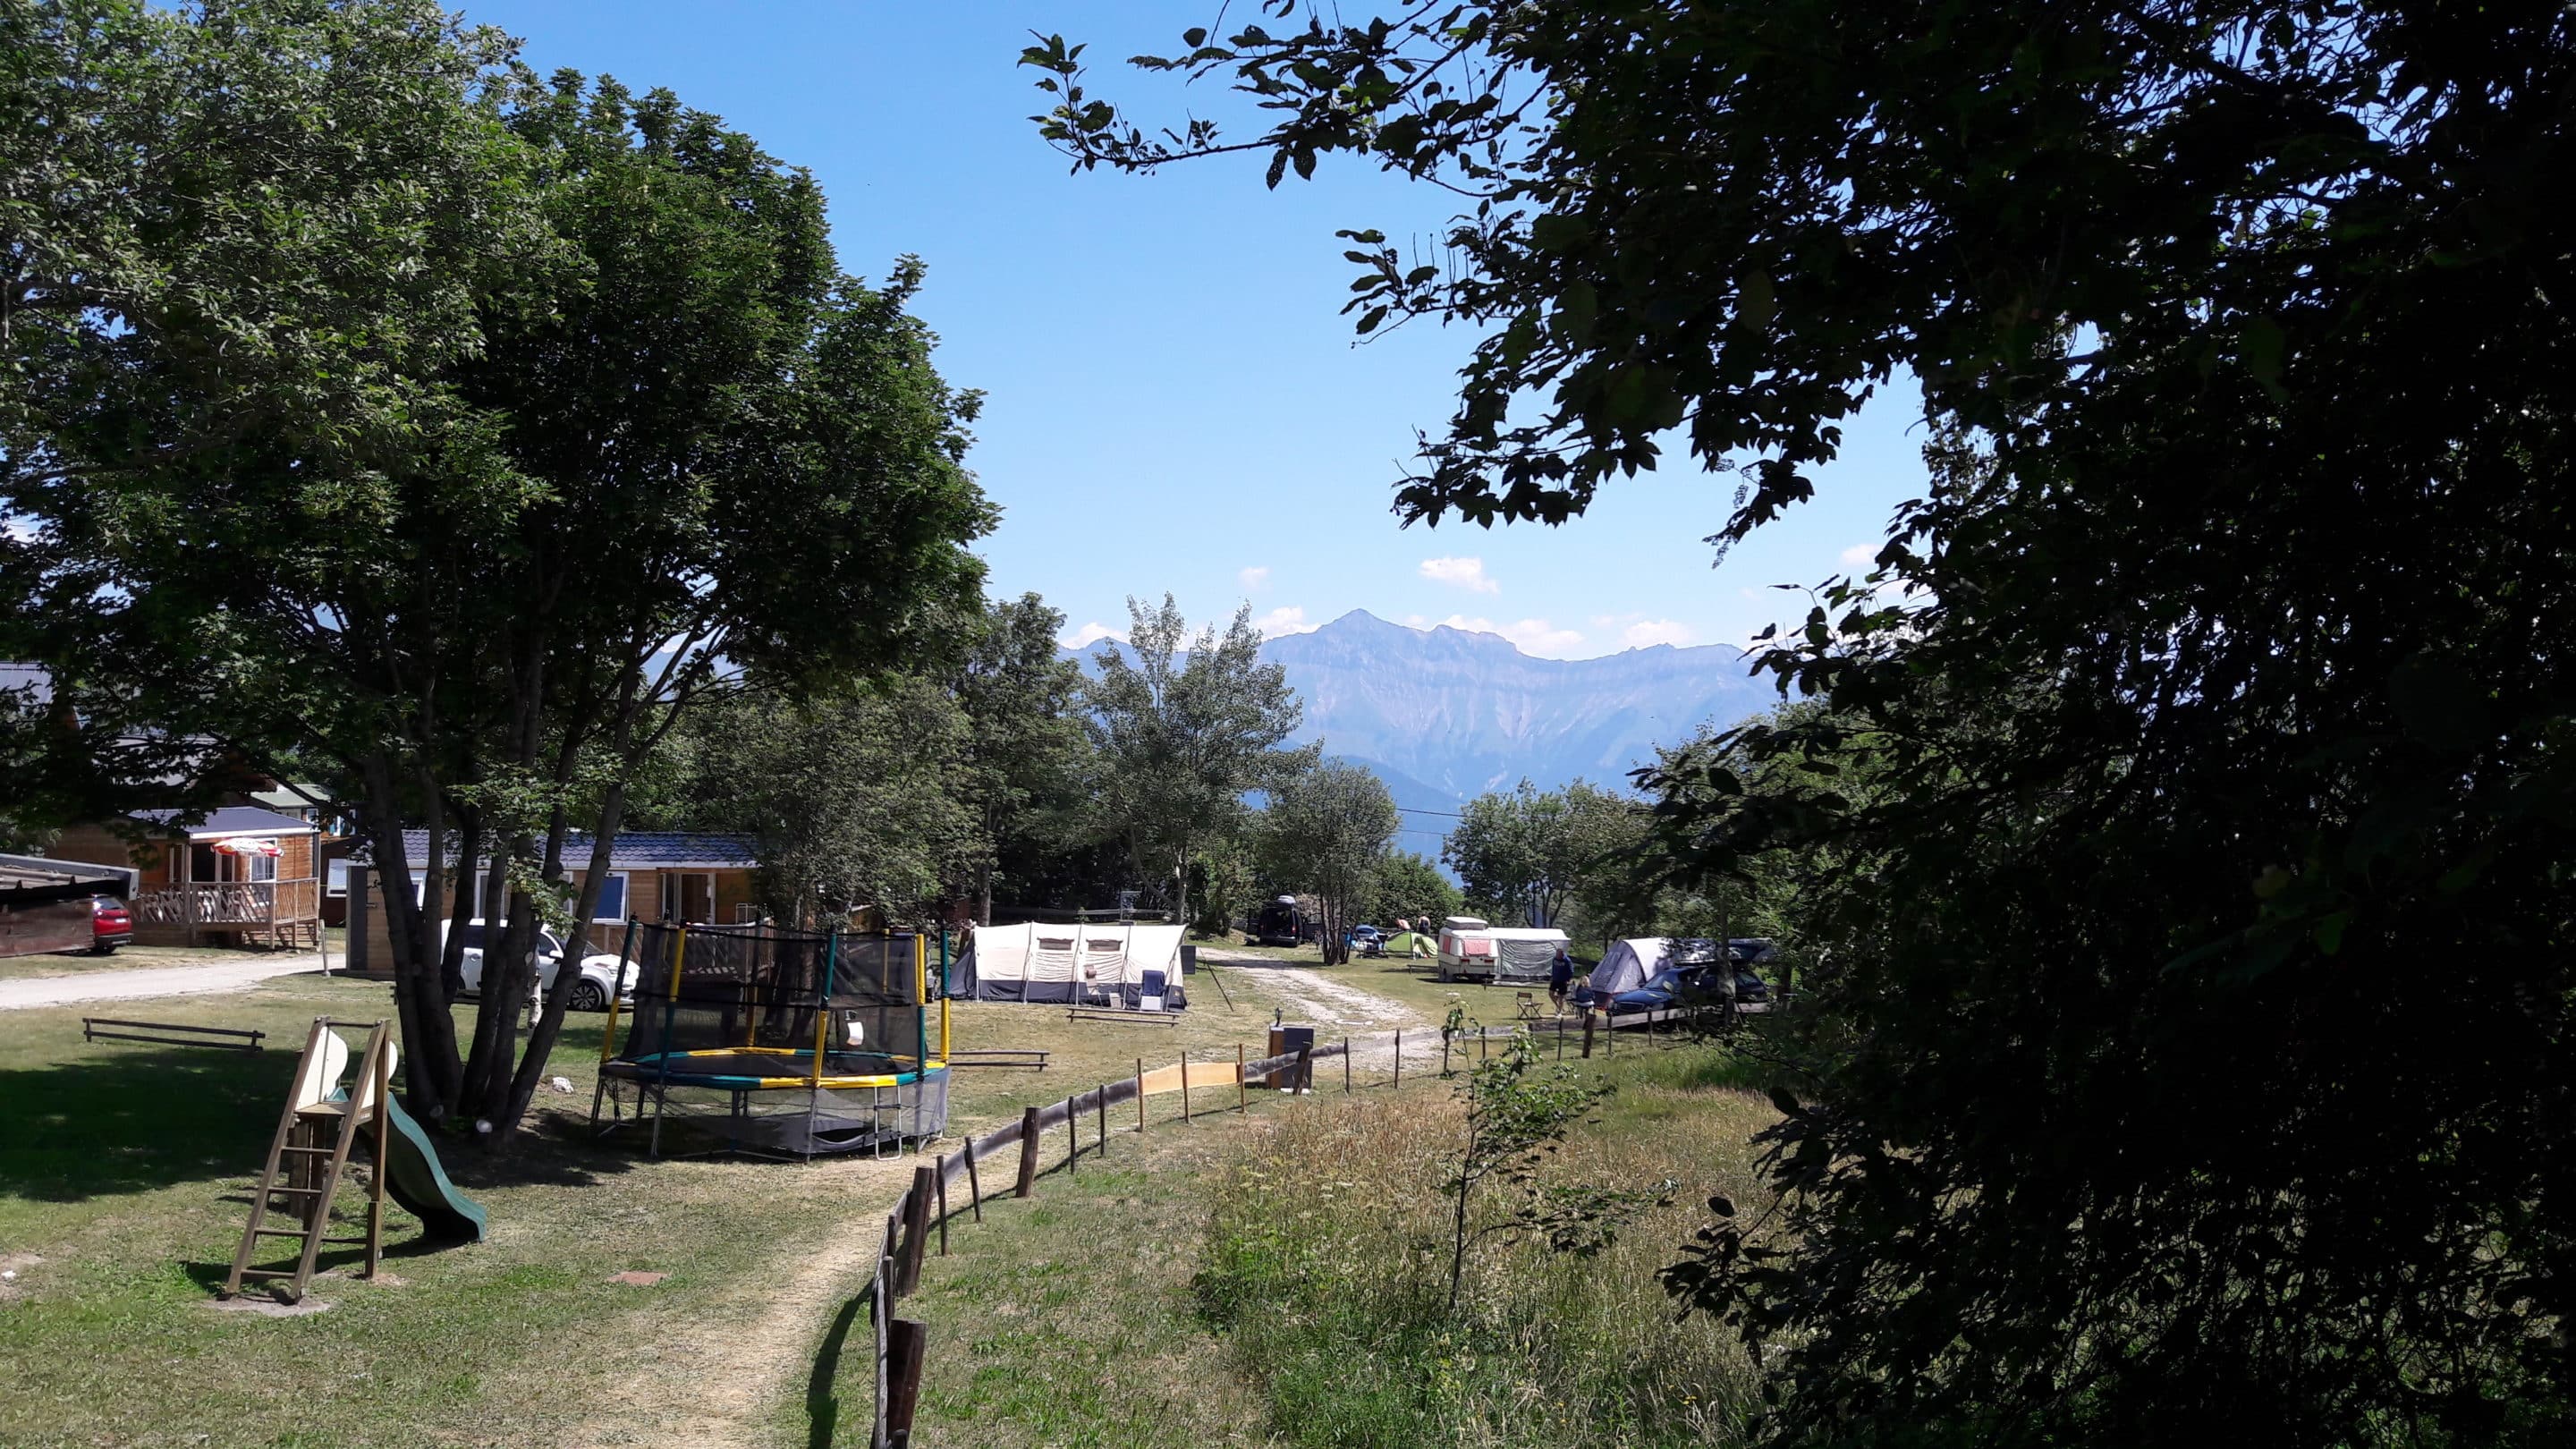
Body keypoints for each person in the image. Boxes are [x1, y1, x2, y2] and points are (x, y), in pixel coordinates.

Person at [1548, 945, 1575, 1014]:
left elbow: (1571, 971)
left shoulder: (1567, 961)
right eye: (1556, 954)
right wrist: (1552, 976)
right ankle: (1558, 1006)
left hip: (1563, 981)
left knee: (1561, 997)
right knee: (1550, 993)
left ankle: (1559, 1012)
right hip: (1555, 980)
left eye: (1559, 955)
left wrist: (1568, 980)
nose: (1557, 956)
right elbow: (1554, 968)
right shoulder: (1554, 959)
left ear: (1562, 954)